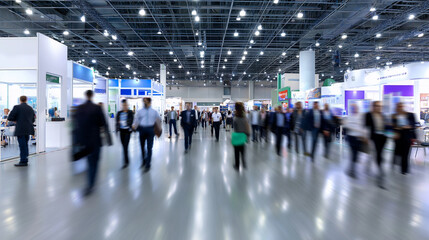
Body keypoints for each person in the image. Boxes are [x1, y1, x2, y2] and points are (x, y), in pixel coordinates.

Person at [73, 90, 110, 195]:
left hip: (84, 141)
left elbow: (76, 126)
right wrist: (109, 139)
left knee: (89, 161)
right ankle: (90, 184)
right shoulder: (97, 108)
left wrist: (76, 140)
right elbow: (104, 124)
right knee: (94, 162)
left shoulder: (79, 108)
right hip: (95, 140)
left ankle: (89, 184)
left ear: (85, 96)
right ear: (92, 96)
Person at [133, 97, 160, 173]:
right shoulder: (140, 111)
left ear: (149, 102)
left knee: (149, 147)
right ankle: (144, 161)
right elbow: (136, 119)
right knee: (142, 146)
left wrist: (159, 131)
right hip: (142, 129)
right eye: (143, 101)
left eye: (145, 101)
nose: (144, 103)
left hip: (151, 130)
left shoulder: (154, 111)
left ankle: (148, 164)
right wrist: (134, 126)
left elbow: (158, 120)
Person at [7, 96, 35, 167]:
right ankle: (25, 158)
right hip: (28, 129)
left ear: (20, 100)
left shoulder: (17, 107)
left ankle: (23, 161)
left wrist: (16, 120)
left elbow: (10, 117)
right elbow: (33, 119)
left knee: (22, 145)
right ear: (26, 100)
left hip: (21, 129)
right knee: (25, 144)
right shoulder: (30, 108)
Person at [365, 101, 387, 187]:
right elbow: (366, 126)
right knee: (378, 152)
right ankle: (380, 169)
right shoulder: (368, 115)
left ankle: (379, 162)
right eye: (377, 106)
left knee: (380, 152)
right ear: (373, 106)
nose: (379, 107)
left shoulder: (382, 115)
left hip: (382, 136)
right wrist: (366, 136)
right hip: (374, 136)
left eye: (380, 106)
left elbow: (385, 125)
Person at [392, 102, 416, 175]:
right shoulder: (394, 116)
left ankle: (404, 169)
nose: (400, 108)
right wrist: (396, 128)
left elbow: (413, 125)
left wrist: (409, 126)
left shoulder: (410, 115)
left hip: (407, 137)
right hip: (398, 137)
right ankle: (396, 163)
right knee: (398, 152)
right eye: (398, 106)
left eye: (401, 106)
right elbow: (393, 126)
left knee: (405, 154)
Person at [344, 104, 367, 178]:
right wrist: (354, 128)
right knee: (353, 153)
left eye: (355, 108)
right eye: (353, 108)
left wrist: (364, 135)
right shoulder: (349, 116)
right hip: (351, 137)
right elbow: (346, 125)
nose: (354, 109)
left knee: (356, 154)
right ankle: (352, 169)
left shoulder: (361, 116)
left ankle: (352, 169)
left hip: (359, 138)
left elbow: (364, 127)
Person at [116, 99, 134, 169]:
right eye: (123, 105)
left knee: (125, 146)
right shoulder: (119, 113)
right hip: (121, 131)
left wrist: (127, 123)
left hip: (127, 131)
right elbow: (117, 121)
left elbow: (132, 120)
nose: (125, 106)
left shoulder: (130, 112)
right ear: (122, 105)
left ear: (127, 105)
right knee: (124, 146)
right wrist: (117, 127)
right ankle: (126, 160)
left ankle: (126, 162)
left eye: (126, 105)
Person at [232, 102, 250, 171]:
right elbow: (247, 127)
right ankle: (244, 163)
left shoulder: (235, 118)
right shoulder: (245, 117)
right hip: (243, 135)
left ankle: (237, 165)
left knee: (236, 152)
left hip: (237, 135)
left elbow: (235, 128)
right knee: (243, 150)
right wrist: (248, 135)